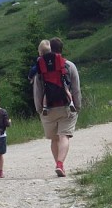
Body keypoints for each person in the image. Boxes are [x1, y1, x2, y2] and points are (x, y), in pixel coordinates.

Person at [32, 37, 81, 177]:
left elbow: (38, 90)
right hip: (66, 105)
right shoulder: (69, 65)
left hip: (48, 108)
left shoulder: (41, 67)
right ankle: (60, 164)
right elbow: (76, 88)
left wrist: (39, 109)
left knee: (54, 138)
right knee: (64, 136)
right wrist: (77, 105)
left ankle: (59, 165)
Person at [29, 39, 75, 114]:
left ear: (40, 52)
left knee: (45, 95)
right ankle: (71, 103)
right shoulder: (57, 58)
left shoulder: (41, 61)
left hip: (48, 83)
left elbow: (34, 70)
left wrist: (30, 77)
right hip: (60, 81)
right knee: (66, 91)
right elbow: (63, 66)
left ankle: (45, 107)